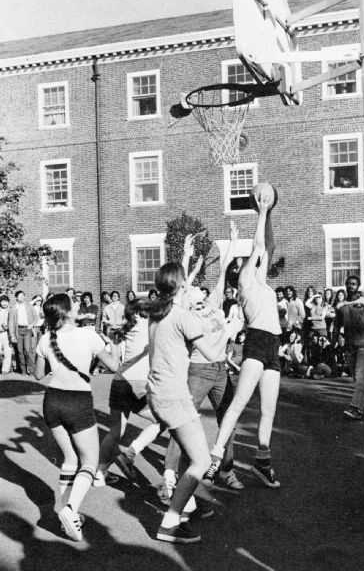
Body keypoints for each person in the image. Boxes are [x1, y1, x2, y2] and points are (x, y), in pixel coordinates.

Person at [147, 262, 234, 544]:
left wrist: (185, 259)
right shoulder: (183, 316)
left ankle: (186, 509)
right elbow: (211, 353)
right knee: (202, 461)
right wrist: (230, 329)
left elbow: (179, 291)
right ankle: (169, 522)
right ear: (182, 286)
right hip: (174, 396)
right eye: (188, 282)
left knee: (187, 454)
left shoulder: (157, 314)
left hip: (159, 394)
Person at [203, 189, 282, 490]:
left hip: (272, 343)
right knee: (239, 403)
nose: (260, 259)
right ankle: (215, 460)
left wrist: (269, 213)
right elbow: (260, 245)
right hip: (258, 341)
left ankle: (262, 461)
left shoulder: (262, 281)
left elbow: (269, 244)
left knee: (269, 409)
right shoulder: (247, 280)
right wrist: (261, 212)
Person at [160, 224, 245, 502]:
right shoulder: (185, 311)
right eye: (191, 287)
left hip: (220, 370)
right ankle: (169, 474)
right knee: (183, 421)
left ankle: (225, 469)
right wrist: (185, 257)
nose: (196, 288)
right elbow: (180, 285)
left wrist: (231, 243)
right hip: (197, 370)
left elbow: (223, 272)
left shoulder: (214, 303)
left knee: (228, 418)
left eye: (197, 288)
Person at [33, 293, 119, 542]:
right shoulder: (89, 335)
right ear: (68, 312)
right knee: (90, 461)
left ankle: (63, 509)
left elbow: (38, 374)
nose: (78, 305)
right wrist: (112, 343)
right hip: (78, 401)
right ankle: (70, 511)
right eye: (74, 304)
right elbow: (113, 366)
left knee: (69, 457)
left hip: (52, 400)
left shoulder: (46, 338)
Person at [97, 298, 161, 485]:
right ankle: (130, 453)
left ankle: (100, 472)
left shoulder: (126, 328)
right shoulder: (148, 326)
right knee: (162, 421)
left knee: (115, 431)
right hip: (137, 383)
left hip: (120, 381)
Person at [334, 276, 364, 420]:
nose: (351, 286)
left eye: (354, 284)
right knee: (356, 378)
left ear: (358, 286)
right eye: (349, 284)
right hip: (349, 345)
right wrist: (334, 342)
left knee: (361, 376)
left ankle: (356, 407)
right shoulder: (340, 305)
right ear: (345, 285)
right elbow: (337, 325)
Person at [8, 290, 38, 375]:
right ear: (16, 297)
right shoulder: (14, 308)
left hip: (27, 330)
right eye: (20, 296)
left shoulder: (29, 306)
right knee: (20, 351)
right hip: (18, 331)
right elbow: (11, 323)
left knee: (28, 350)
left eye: (23, 295)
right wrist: (12, 335)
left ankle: (31, 370)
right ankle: (23, 370)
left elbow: (36, 318)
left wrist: (31, 325)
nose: (22, 297)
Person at [0, 294, 12, 374]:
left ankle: (5, 369)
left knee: (8, 351)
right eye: (2, 301)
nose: (4, 303)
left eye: (6, 301)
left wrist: (8, 327)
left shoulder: (11, 311)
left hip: (6, 334)